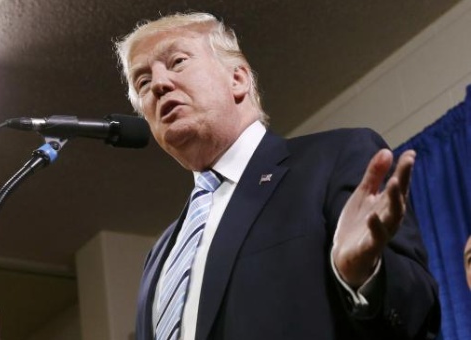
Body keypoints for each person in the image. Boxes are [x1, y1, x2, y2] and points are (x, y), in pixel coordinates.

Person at [115, 12, 440, 340]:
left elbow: (414, 315)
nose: (158, 84)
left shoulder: (335, 159)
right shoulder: (159, 256)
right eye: (142, 81)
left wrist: (364, 277)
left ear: (238, 79)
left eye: (178, 61)